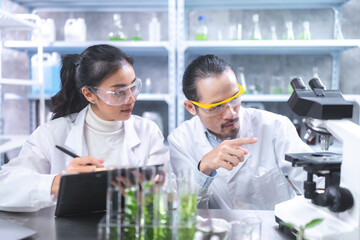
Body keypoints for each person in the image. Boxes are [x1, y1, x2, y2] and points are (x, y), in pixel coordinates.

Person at [0, 44, 168, 212]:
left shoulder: (148, 131)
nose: (131, 99)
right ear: (89, 94)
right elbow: (4, 187)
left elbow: (171, 191)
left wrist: (151, 197)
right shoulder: (51, 134)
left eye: (133, 87)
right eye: (118, 93)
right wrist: (61, 182)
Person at [168, 54, 312, 210]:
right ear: (191, 107)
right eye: (216, 107)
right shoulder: (180, 141)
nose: (231, 114)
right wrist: (204, 168)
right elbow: (186, 210)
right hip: (218, 233)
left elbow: (317, 183)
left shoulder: (275, 127)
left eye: (235, 98)